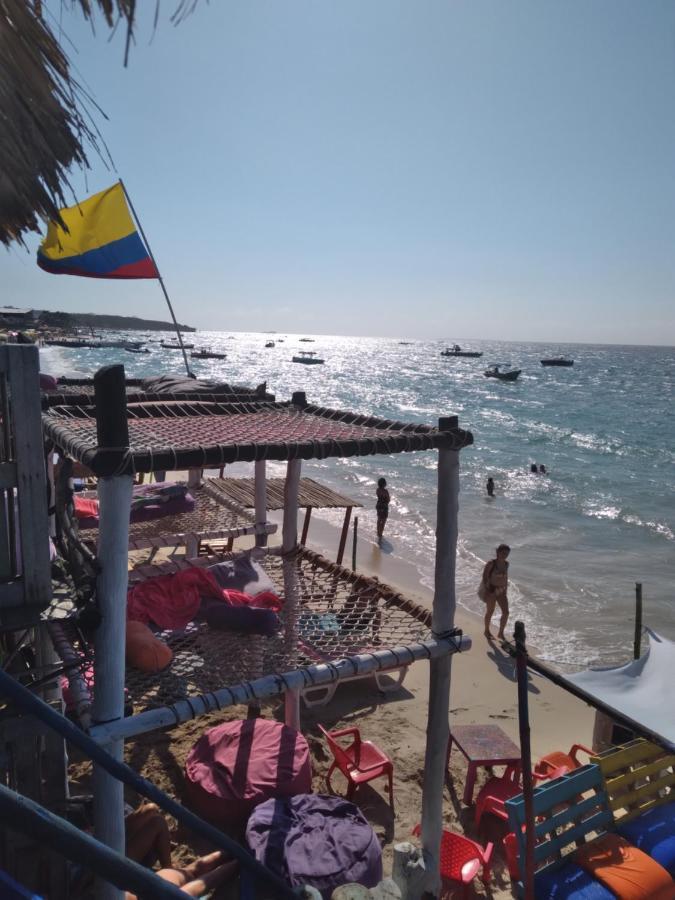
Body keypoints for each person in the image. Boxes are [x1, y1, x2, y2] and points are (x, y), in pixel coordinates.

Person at [124, 850, 238, 899]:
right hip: (143, 888)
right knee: (191, 871)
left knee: (206, 882)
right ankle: (235, 852)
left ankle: (239, 862)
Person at [480, 544, 510, 640]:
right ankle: (486, 631)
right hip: (491, 590)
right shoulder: (491, 563)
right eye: (503, 553)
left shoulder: (506, 564)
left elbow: (506, 577)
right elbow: (484, 577)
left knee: (506, 612)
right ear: (498, 552)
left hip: (502, 591)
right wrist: (487, 590)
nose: (505, 555)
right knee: (490, 611)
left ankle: (500, 633)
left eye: (507, 553)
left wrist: (505, 589)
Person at [375, 477, 390, 542]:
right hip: (384, 506)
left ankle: (378, 532)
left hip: (378, 505)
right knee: (383, 521)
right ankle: (380, 534)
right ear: (384, 484)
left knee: (379, 519)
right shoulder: (385, 491)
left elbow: (379, 496)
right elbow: (388, 499)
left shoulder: (377, 490)